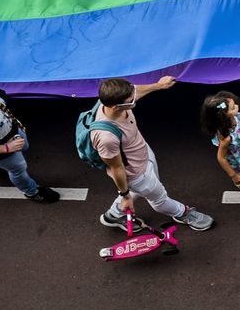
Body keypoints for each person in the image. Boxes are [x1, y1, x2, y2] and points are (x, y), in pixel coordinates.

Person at [92, 76, 214, 231]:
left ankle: (114, 215)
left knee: (145, 188)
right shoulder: (106, 138)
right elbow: (116, 168)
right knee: (159, 199)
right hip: (136, 174)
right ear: (116, 107)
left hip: (142, 152)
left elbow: (135, 91)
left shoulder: (110, 98)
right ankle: (182, 213)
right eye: (131, 100)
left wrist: (158, 85)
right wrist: (125, 196)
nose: (135, 99)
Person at [0, 88, 58, 202]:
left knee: (25, 147)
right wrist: (7, 148)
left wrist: (15, 123)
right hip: (5, 148)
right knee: (18, 169)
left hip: (13, 131)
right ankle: (31, 191)